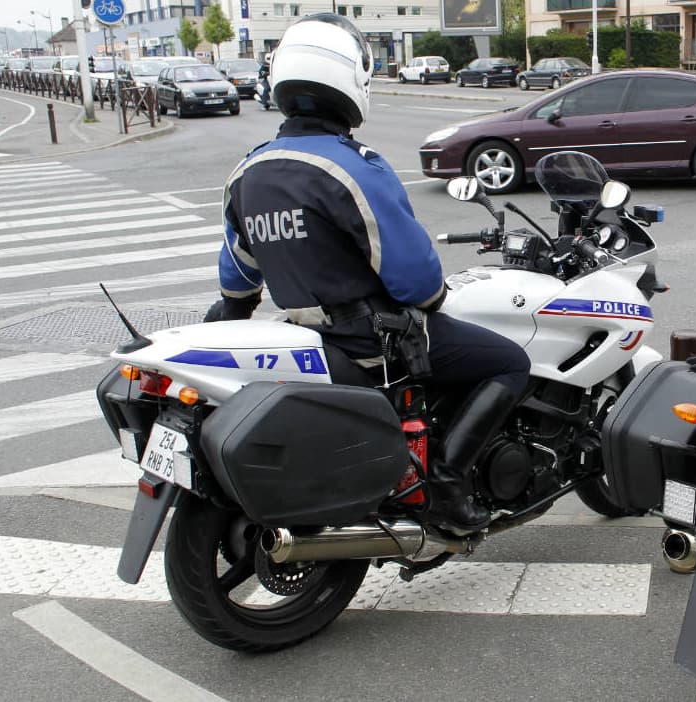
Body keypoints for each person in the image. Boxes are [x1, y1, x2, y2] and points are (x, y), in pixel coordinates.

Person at [203, 13, 530, 532]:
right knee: (509, 361)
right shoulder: (353, 166)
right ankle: (445, 485)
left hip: (306, 336)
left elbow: (237, 277)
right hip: (372, 341)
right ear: (350, 80)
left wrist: (231, 315)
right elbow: (416, 281)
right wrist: (434, 301)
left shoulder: (249, 171)